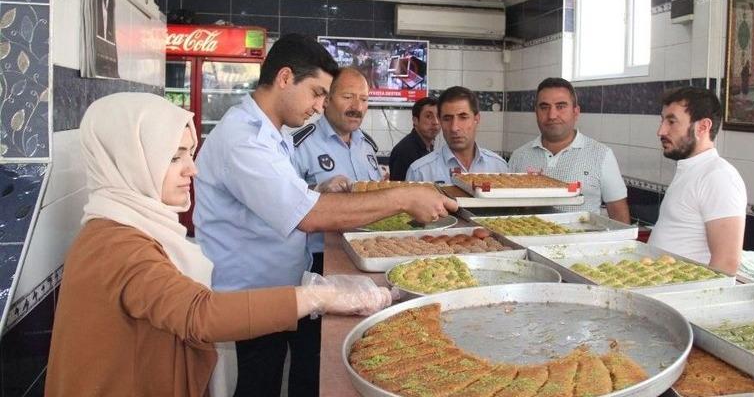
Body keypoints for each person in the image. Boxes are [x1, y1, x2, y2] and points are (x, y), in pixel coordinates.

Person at [45, 93, 393, 397]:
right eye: (174, 157)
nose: (191, 170)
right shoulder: (116, 244)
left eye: (190, 153)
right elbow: (199, 314)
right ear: (129, 159)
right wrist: (319, 295)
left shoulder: (128, 224)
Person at [193, 34, 456, 397]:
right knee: (258, 385)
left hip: (277, 287)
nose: (320, 106)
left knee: (276, 377)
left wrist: (316, 192)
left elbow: (279, 201)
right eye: (318, 92)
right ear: (285, 78)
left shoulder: (273, 132)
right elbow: (309, 217)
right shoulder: (245, 139)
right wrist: (403, 196)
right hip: (250, 296)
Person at [290, 66, 381, 395]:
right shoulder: (300, 143)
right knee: (311, 354)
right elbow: (278, 200)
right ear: (326, 100)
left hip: (364, 260)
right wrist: (317, 188)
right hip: (316, 263)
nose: (357, 106)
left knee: (353, 347)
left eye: (364, 99)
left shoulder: (367, 145)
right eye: (348, 97)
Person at [649, 87, 747, 275]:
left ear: (703, 127)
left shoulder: (718, 177)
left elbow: (726, 262)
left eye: (671, 121)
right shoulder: (691, 169)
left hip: (681, 297)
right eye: (663, 121)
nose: (661, 130)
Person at [508, 78, 629, 222]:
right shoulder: (519, 156)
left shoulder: (601, 155)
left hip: (581, 243)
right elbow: (508, 211)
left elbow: (619, 215)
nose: (552, 115)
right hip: (527, 241)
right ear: (536, 112)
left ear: (576, 112)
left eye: (561, 106)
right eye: (544, 107)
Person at [406, 86, 507, 184]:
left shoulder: (498, 167)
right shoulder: (420, 172)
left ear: (476, 119)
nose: (454, 128)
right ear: (440, 121)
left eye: (463, 117)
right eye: (447, 118)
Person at [389, 97, 440, 181]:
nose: (436, 122)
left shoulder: (428, 145)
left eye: (438, 116)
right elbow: (398, 190)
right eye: (428, 116)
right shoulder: (405, 151)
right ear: (415, 120)